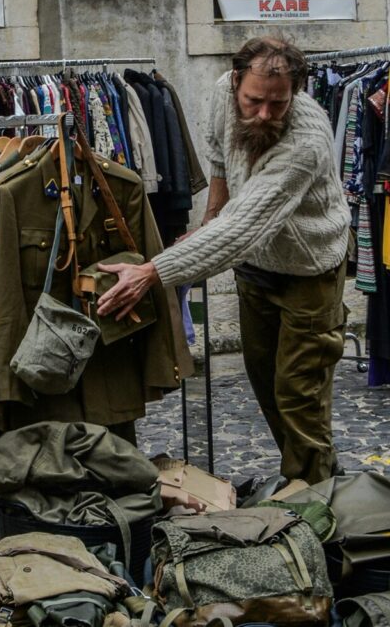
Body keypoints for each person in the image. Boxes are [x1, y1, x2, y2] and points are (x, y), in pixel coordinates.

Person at [96, 36, 350, 484]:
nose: (265, 114)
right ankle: (314, 476)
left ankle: (314, 499)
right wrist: (210, 216)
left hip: (309, 274)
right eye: (254, 101)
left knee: (298, 393)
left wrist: (153, 271)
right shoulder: (221, 93)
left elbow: (243, 228)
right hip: (257, 269)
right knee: (267, 384)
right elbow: (219, 159)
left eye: (279, 103)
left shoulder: (306, 141)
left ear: (297, 91)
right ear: (236, 82)